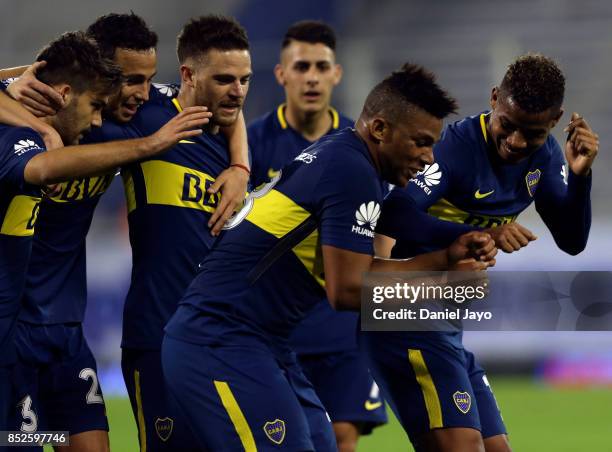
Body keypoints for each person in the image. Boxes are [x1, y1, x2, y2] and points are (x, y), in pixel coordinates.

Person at [162, 63, 498, 451]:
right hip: (219, 340)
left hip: (261, 343)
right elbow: (348, 292)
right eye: (421, 142)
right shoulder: (351, 171)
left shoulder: (347, 156)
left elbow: (358, 273)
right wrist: (442, 284)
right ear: (380, 129)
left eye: (433, 144)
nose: (428, 158)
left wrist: (443, 259)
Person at [0, 13, 249, 452]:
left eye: (149, 79)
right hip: (12, 331)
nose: (144, 91)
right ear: (99, 74)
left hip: (66, 328)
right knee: (23, 441)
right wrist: (33, 116)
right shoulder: (27, 116)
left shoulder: (138, 113)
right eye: (132, 79)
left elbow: (221, 102)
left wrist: (240, 166)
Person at [370, 54, 598, 452]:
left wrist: (580, 177)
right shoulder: (454, 149)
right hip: (403, 311)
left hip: (447, 324)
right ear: (494, 98)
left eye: (533, 133)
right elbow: (394, 213)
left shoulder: (544, 158)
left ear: (556, 120)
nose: (516, 143)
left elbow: (571, 240)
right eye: (507, 126)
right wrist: (474, 232)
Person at [248, 20, 386, 451]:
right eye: (301, 66)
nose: (311, 76)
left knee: (342, 436)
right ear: (281, 74)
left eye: (321, 66)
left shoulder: (361, 146)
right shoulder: (250, 146)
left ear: (336, 74)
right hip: (273, 328)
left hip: (342, 327)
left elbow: (381, 230)